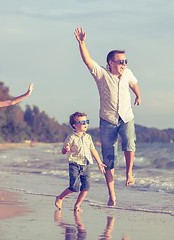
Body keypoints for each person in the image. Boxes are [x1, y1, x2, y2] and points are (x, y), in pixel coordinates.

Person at [74, 27, 141, 206]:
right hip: (107, 120)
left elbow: (133, 84)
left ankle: (129, 174)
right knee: (108, 159)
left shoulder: (127, 73)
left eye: (125, 61)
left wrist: (138, 95)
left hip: (126, 117)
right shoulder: (102, 74)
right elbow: (88, 61)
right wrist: (82, 43)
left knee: (129, 140)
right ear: (111, 62)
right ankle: (112, 195)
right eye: (120, 61)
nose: (124, 64)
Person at [55, 112, 106, 212]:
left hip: (86, 164)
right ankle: (60, 198)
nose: (86, 124)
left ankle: (77, 205)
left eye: (87, 121)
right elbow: (63, 151)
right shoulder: (71, 137)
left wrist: (100, 163)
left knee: (86, 187)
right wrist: (66, 149)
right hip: (74, 164)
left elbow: (93, 150)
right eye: (83, 122)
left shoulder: (88, 137)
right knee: (74, 187)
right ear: (75, 125)